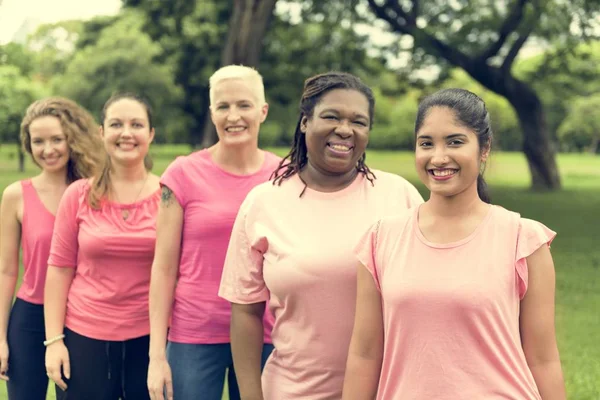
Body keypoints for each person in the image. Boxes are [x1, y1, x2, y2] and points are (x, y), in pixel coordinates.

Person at [343, 88, 566, 399]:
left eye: (455, 141)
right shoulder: (380, 239)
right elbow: (365, 355)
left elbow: (543, 358)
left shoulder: (524, 240)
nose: (438, 157)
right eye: (426, 144)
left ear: (484, 148)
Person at [218, 71, 424, 400]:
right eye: (331, 116)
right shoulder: (264, 202)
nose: (345, 129)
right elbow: (244, 312)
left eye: (359, 121)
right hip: (292, 392)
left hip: (386, 391)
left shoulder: (399, 197)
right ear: (304, 123)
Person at [146, 65, 280, 400]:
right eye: (223, 106)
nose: (233, 115)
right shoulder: (182, 174)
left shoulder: (285, 177)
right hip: (195, 334)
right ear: (212, 113)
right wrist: (157, 355)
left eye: (244, 105)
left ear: (262, 111)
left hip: (266, 333)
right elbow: (163, 269)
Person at [44, 93, 161, 400]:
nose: (126, 133)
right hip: (84, 336)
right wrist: (54, 341)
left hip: (149, 338)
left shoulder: (168, 196)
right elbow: (59, 270)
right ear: (102, 132)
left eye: (136, 124)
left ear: (150, 134)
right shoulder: (78, 195)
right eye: (116, 124)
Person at [0, 97, 102, 400]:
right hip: (29, 319)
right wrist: (0, 337)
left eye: (57, 139)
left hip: (81, 319)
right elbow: (6, 271)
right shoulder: (16, 195)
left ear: (72, 139)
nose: (48, 149)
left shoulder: (97, 192)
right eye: (38, 141)